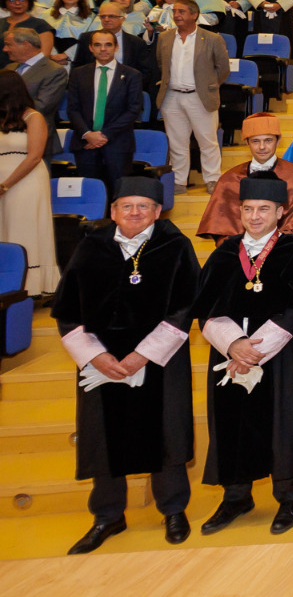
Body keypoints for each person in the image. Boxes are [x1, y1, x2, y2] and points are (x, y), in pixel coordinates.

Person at [53, 177, 199, 554]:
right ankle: (107, 514)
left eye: (143, 206)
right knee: (103, 433)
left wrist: (142, 354)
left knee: (166, 429)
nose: (135, 213)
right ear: (113, 210)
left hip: (158, 358)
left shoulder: (175, 246)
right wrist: (96, 356)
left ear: (157, 210)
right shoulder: (90, 248)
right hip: (101, 357)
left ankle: (173, 509)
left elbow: (185, 307)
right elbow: (66, 311)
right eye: (127, 206)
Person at [195, 178, 293, 536]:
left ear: (280, 213)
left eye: (263, 209)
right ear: (238, 212)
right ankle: (236, 496)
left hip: (278, 352)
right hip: (229, 354)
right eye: (248, 209)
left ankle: (288, 496)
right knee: (231, 422)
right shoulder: (225, 253)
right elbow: (206, 308)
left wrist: (255, 348)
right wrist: (233, 345)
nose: (255, 216)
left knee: (282, 423)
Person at [196, 112, 293, 239]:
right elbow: (222, 229)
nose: (262, 147)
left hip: (284, 251)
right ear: (247, 143)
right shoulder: (229, 179)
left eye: (268, 140)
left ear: (278, 141)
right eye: (255, 141)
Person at [156, 0, 229, 191]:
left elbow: (223, 68)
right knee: (177, 142)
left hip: (200, 96)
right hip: (171, 97)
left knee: (207, 141)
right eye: (174, 12)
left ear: (194, 14)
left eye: (181, 12)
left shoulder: (212, 38)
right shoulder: (165, 37)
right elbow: (161, 65)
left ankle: (212, 179)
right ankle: (179, 181)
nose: (176, 15)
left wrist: (209, 86)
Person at [64, 29, 142, 194]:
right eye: (98, 45)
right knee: (90, 193)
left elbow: (133, 110)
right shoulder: (78, 74)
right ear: (91, 48)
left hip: (118, 144)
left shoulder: (131, 75)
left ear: (116, 47)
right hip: (85, 143)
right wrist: (87, 134)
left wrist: (103, 135)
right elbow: (73, 109)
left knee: (119, 194)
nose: (103, 49)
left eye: (108, 45)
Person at [0, 69, 56, 295]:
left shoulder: (34, 117)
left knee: (24, 227)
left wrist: (5, 185)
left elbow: (34, 156)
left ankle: (30, 285)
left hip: (25, 181)